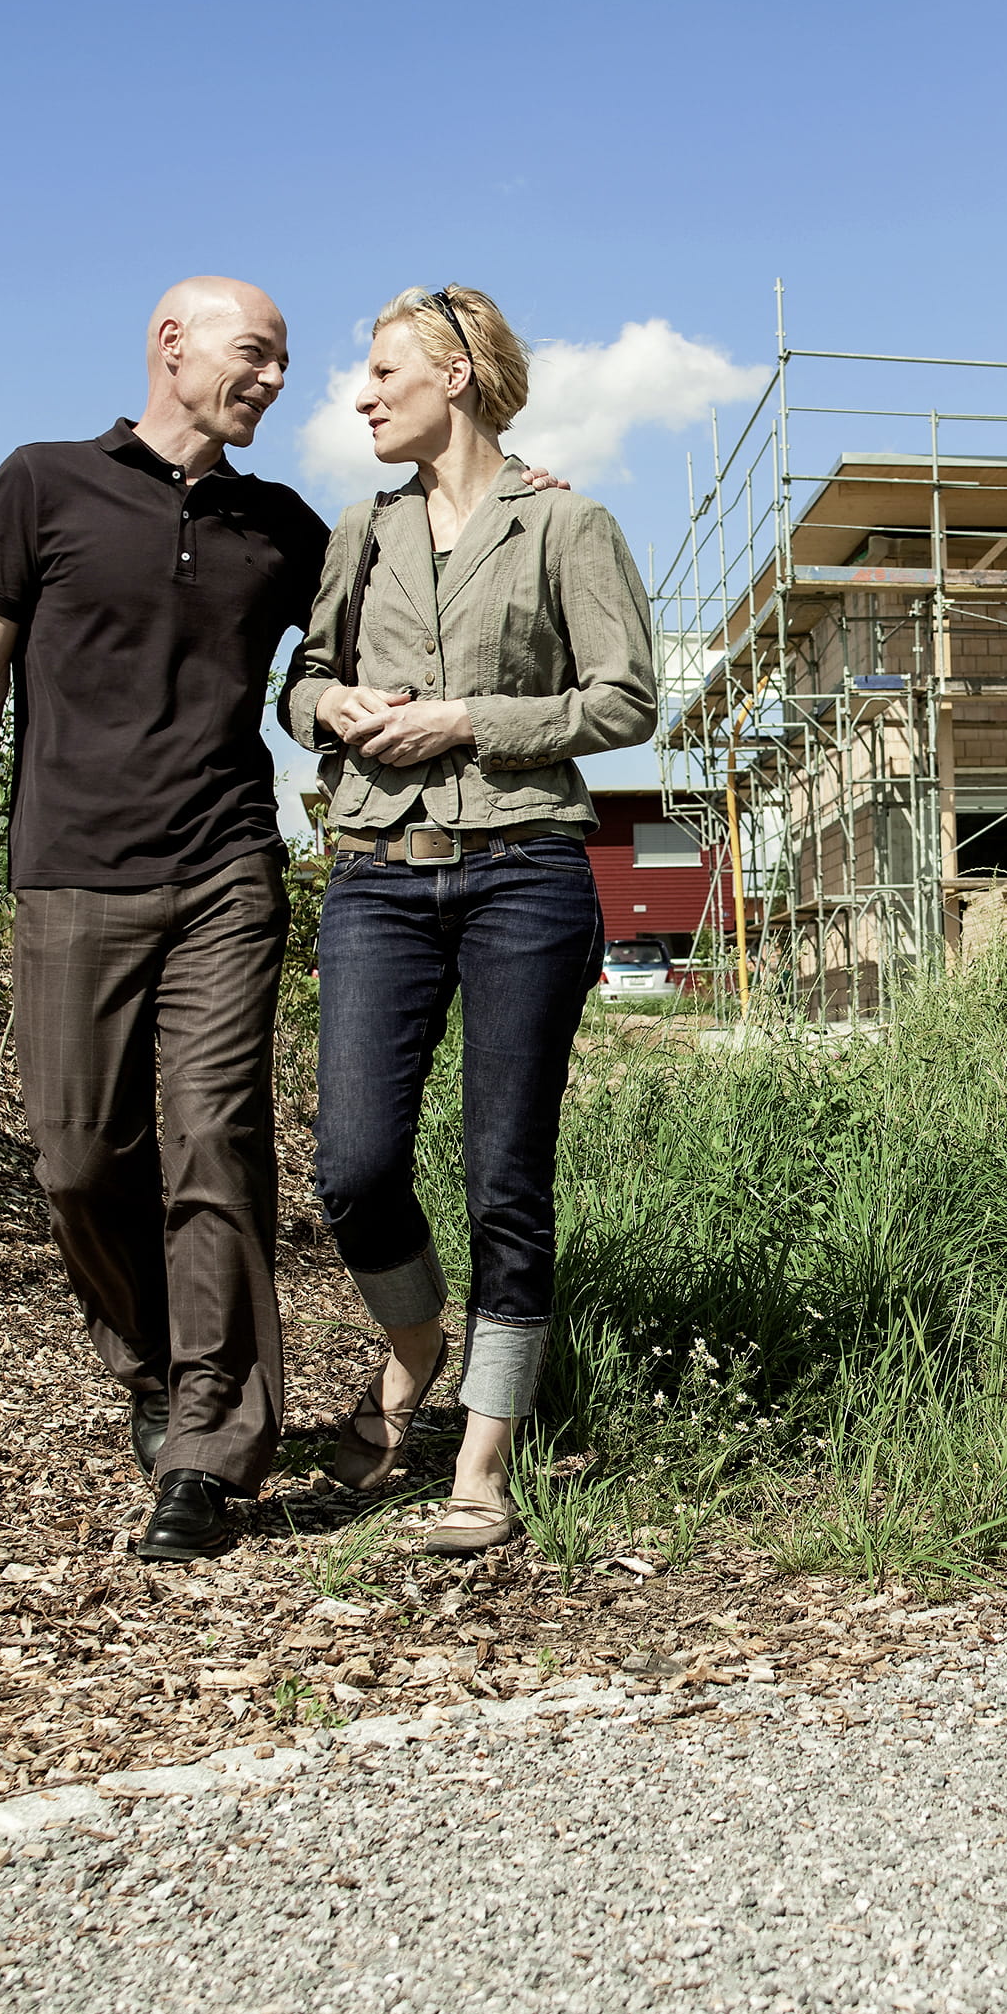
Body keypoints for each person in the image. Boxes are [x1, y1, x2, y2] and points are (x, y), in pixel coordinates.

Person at [0, 277, 324, 1565]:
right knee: (77, 1158)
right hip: (72, 868)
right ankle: (151, 1363)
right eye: (252, 354)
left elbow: (396, 597)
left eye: (280, 363)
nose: (270, 378)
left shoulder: (286, 526)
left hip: (224, 869)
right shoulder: (43, 482)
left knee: (217, 1139)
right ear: (172, 344)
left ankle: (211, 1436)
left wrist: (505, 479)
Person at [280, 282, 656, 1555]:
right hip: (377, 875)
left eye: (386, 371)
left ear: (457, 376)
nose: (363, 393)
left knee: (506, 1174)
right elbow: (301, 680)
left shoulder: (567, 525)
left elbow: (625, 702)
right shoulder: (359, 535)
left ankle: (480, 1459)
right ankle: (417, 1339)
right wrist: (325, 711)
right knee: (354, 1163)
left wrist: (472, 723)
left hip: (523, 877)